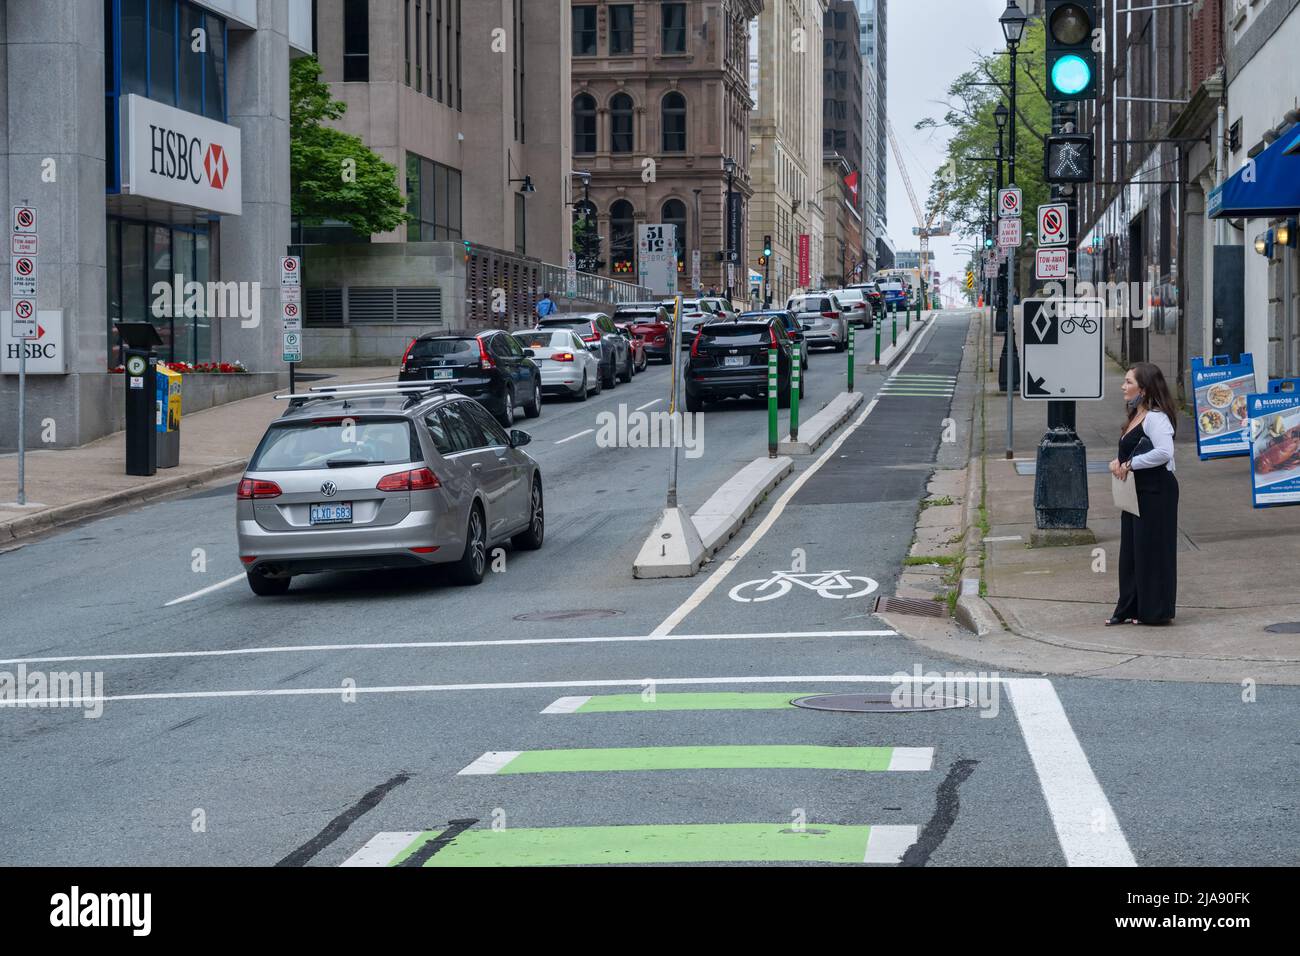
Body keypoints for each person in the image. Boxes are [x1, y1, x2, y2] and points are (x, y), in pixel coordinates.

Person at [1107, 362, 1179, 626]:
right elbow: (1132, 449)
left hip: (1157, 490)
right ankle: (1130, 607)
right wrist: (1118, 461)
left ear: (1145, 389)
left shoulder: (1156, 417)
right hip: (1136, 491)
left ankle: (1155, 610)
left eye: (1128, 382)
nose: (1123, 386)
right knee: (1132, 550)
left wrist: (1129, 464)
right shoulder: (1136, 416)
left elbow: (1164, 452)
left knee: (1152, 549)